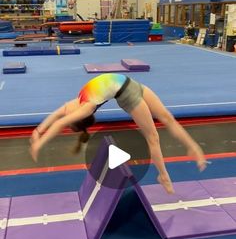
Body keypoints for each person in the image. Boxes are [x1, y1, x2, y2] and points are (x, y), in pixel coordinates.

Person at [30, 74, 206, 194]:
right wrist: (40, 143)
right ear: (79, 118)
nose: (67, 112)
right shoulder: (87, 107)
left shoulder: (77, 101)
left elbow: (57, 115)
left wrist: (38, 131)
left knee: (167, 117)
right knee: (153, 137)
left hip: (133, 84)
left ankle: (193, 147)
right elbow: (60, 122)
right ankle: (163, 175)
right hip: (127, 95)